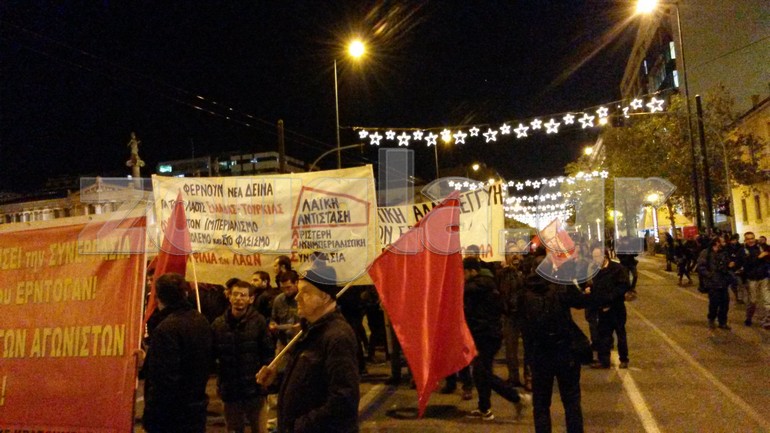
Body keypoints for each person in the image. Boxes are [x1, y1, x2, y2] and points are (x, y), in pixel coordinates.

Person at [256, 263, 360, 432]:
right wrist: (276, 380)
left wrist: (301, 426)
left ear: (324, 297)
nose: (297, 297)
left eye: (305, 292)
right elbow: (309, 381)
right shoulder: (310, 331)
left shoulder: (337, 337)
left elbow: (344, 399)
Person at [519, 261, 588, 433]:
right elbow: (582, 301)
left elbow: (524, 328)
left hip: (539, 353)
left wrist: (528, 359)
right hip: (564, 350)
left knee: (541, 404)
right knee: (571, 400)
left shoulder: (525, 294)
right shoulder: (560, 288)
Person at [141, 273, 213, 433]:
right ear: (184, 293)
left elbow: (164, 380)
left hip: (171, 417)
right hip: (196, 408)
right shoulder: (201, 320)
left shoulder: (166, 329)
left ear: (158, 297)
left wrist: (151, 417)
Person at [463, 257, 529, 421]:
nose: (463, 276)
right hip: (486, 334)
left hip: (485, 336)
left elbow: (467, 291)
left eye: (464, 272)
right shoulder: (486, 283)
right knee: (481, 372)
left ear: (472, 271)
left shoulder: (478, 286)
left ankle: (517, 398)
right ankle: (484, 408)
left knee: (482, 373)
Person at [211, 279, 275, 433]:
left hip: (255, 389)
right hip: (230, 389)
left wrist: (265, 379)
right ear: (229, 296)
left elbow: (268, 353)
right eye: (235, 294)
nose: (238, 299)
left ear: (250, 299)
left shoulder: (259, 322)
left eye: (243, 295)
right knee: (233, 429)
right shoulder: (218, 324)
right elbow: (212, 354)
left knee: (259, 429)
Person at [586, 247, 631, 369]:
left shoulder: (617, 269)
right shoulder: (596, 270)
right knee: (603, 335)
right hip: (603, 309)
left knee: (620, 334)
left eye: (597, 257)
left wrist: (610, 298)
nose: (595, 260)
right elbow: (596, 287)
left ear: (605, 256)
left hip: (616, 308)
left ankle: (624, 359)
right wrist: (590, 290)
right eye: (594, 257)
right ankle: (604, 361)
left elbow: (623, 286)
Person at [697, 238, 732, 329]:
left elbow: (727, 264)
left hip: (723, 281)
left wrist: (729, 266)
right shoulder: (706, 252)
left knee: (725, 303)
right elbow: (701, 266)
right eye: (722, 241)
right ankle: (711, 318)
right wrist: (710, 275)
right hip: (712, 283)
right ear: (717, 243)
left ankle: (722, 322)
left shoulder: (724, 252)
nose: (724, 243)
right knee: (714, 303)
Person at [742, 232, 770, 327]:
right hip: (752, 279)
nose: (751, 240)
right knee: (753, 301)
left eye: (752, 238)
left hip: (763, 277)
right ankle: (749, 317)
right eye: (748, 239)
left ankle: (768, 320)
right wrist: (759, 257)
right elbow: (746, 264)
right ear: (745, 240)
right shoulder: (743, 250)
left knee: (767, 300)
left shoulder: (761, 247)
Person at [271, 270, 301, 349]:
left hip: (301, 342)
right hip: (283, 342)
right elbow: (274, 319)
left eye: (288, 287)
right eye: (283, 288)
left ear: (296, 283)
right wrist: (272, 325)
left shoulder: (304, 299)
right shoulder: (278, 300)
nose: (286, 291)